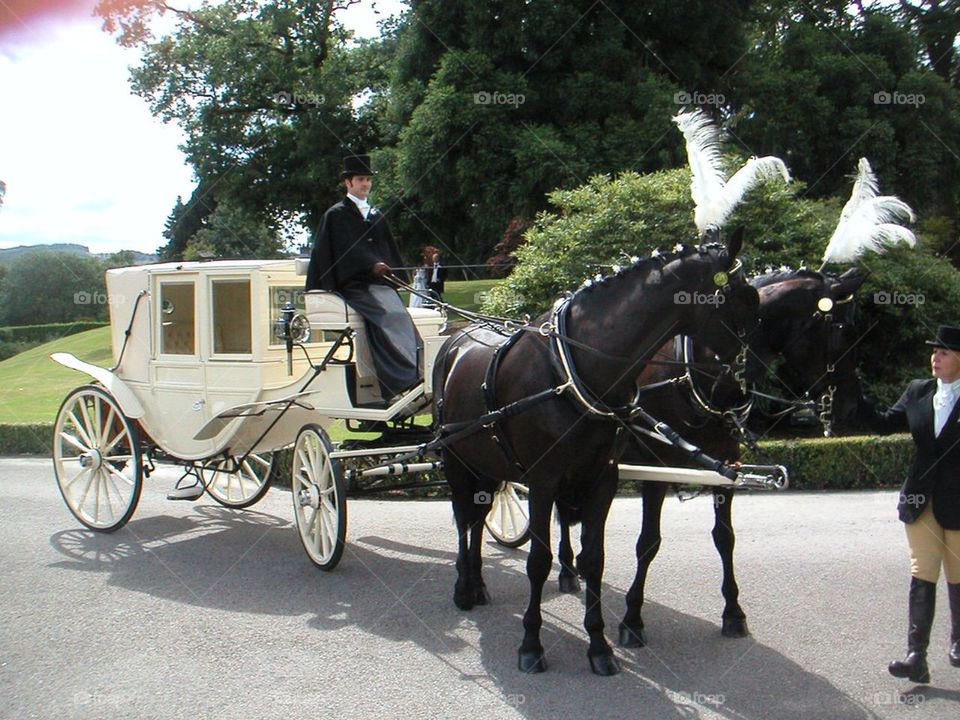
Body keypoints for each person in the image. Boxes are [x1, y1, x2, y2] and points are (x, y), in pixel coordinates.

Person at [859, 324, 960, 684]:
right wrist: (853, 393)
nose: (935, 357)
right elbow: (884, 423)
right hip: (920, 498)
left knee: (958, 572)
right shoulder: (919, 391)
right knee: (923, 572)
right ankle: (916, 655)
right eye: (934, 351)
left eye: (944, 352)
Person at [304, 154, 422, 404]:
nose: (365, 184)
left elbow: (386, 247)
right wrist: (371, 265)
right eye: (360, 180)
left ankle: (420, 370)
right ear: (348, 182)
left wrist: (389, 270)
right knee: (387, 315)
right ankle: (401, 379)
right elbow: (345, 249)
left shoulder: (376, 213)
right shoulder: (336, 215)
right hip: (351, 283)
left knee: (401, 314)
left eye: (368, 180)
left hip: (378, 283)